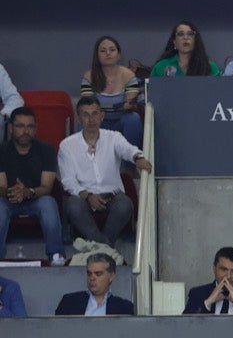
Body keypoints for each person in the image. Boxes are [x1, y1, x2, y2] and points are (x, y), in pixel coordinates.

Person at [57, 98, 151, 249]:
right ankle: (105, 248)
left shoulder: (113, 137)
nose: (91, 119)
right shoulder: (67, 145)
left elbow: (128, 149)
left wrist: (138, 158)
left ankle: (99, 247)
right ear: (79, 118)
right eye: (86, 115)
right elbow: (68, 181)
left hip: (112, 195)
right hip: (84, 197)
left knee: (125, 204)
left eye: (95, 113)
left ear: (102, 116)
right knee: (73, 206)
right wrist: (88, 196)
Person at [0, 107, 66, 265]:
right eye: (20, 126)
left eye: (29, 126)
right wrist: (15, 192)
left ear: (35, 129)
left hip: (36, 198)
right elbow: (1, 187)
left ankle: (56, 255)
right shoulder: (1, 150)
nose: (25, 131)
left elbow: (46, 187)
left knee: (49, 203)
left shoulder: (46, 150)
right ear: (11, 128)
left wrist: (27, 192)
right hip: (8, 199)